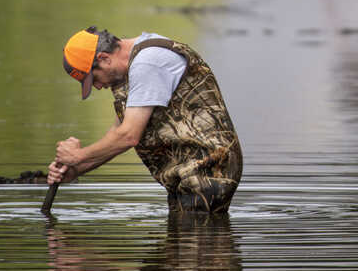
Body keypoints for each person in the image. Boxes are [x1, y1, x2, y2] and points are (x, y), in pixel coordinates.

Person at [48, 26, 243, 212]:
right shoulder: (139, 64)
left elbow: (128, 136)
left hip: (209, 169)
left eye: (94, 79)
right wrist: (76, 169)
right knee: (187, 237)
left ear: (104, 58)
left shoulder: (147, 63)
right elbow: (118, 133)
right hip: (192, 171)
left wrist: (77, 156)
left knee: (194, 236)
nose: (98, 86)